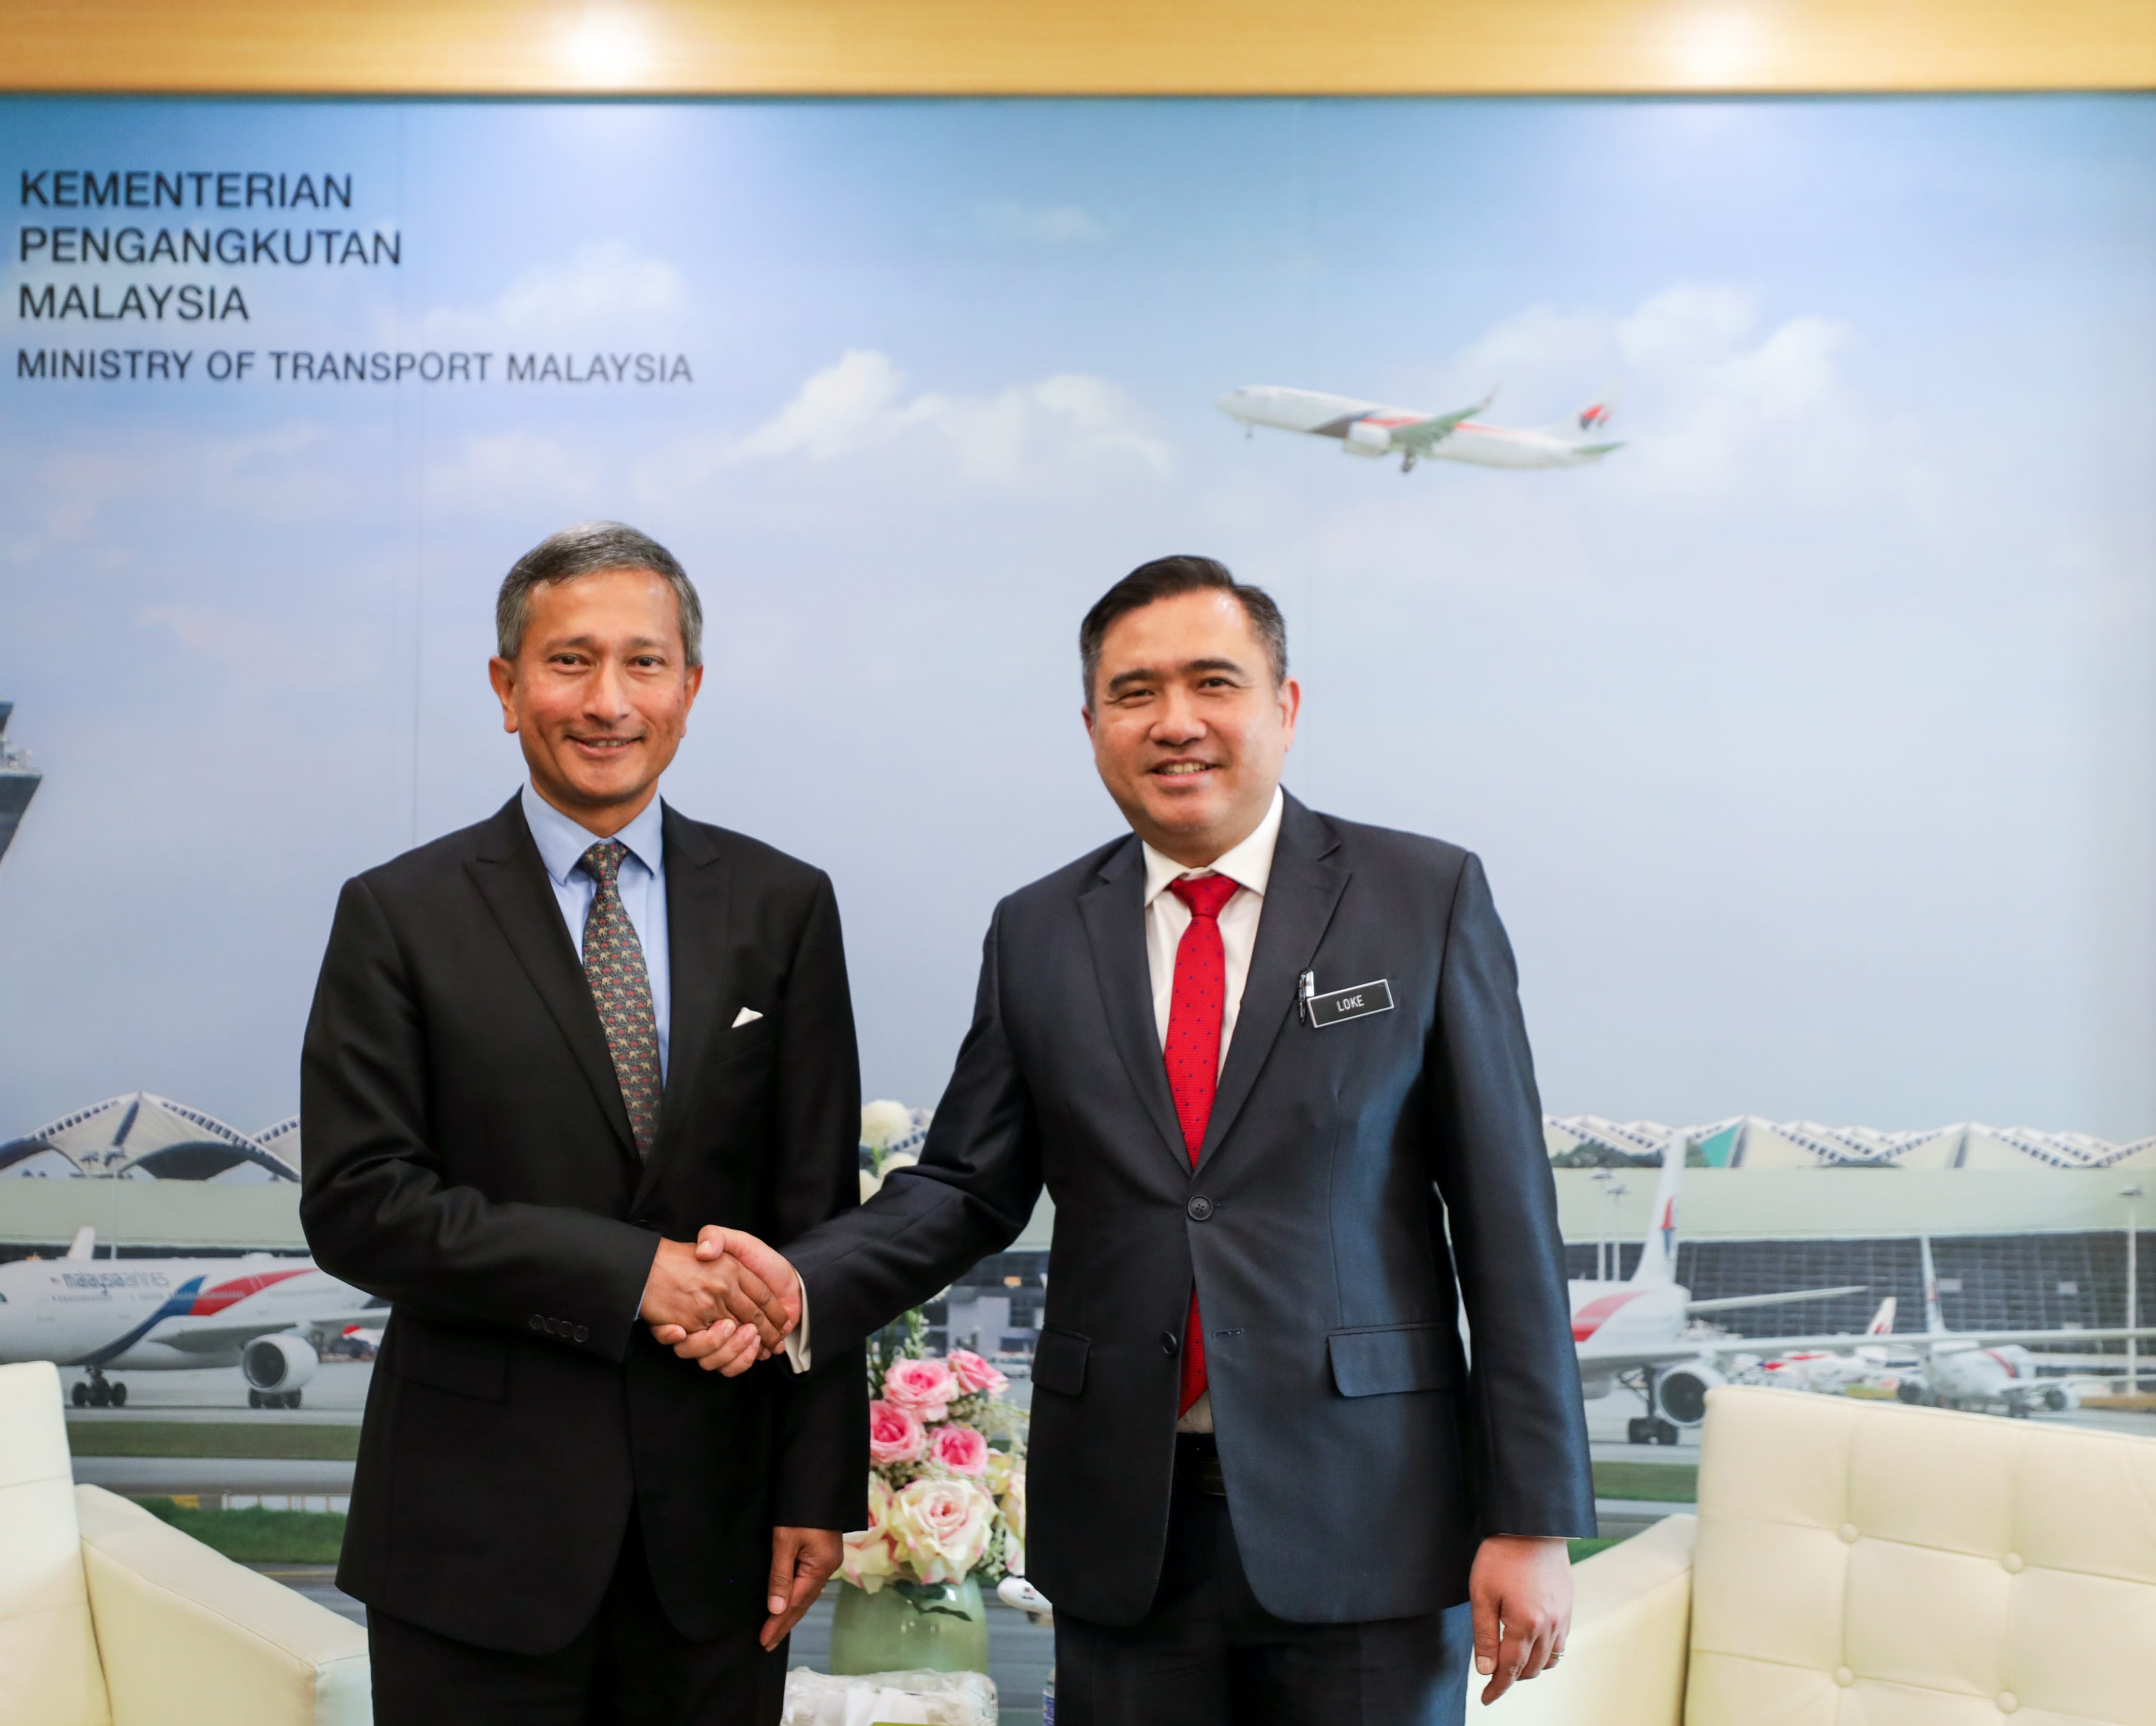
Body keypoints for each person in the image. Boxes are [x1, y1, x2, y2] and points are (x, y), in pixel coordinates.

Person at [666, 555, 1595, 1724]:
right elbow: (962, 1188)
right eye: (1134, 692)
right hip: (1125, 1527)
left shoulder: (1423, 897)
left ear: (1285, 707)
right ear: (1094, 724)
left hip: (1372, 1517)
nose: (1177, 722)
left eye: (1215, 682)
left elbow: (1509, 1224)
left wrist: (1530, 1517)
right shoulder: (1040, 930)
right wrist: (797, 1284)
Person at [300, 522, 867, 1724]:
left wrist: (818, 1488)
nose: (608, 701)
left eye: (645, 664)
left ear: (691, 689)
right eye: (570, 663)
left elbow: (822, 1225)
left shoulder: (785, 906)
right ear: (507, 689)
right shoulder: (398, 914)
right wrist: (632, 1276)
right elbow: (359, 1203)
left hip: (713, 1546)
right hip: (470, 1546)